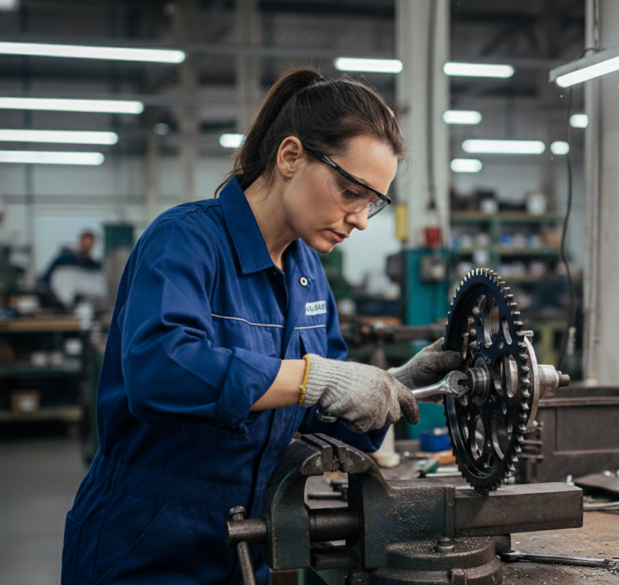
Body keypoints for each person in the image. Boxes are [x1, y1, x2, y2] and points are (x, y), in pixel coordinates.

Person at [61, 68, 462, 585]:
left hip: (248, 539)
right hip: (145, 542)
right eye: (350, 190)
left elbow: (318, 412)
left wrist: (397, 386)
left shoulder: (307, 272)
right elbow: (159, 371)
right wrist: (312, 378)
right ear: (290, 156)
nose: (361, 219)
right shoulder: (185, 240)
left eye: (373, 203)